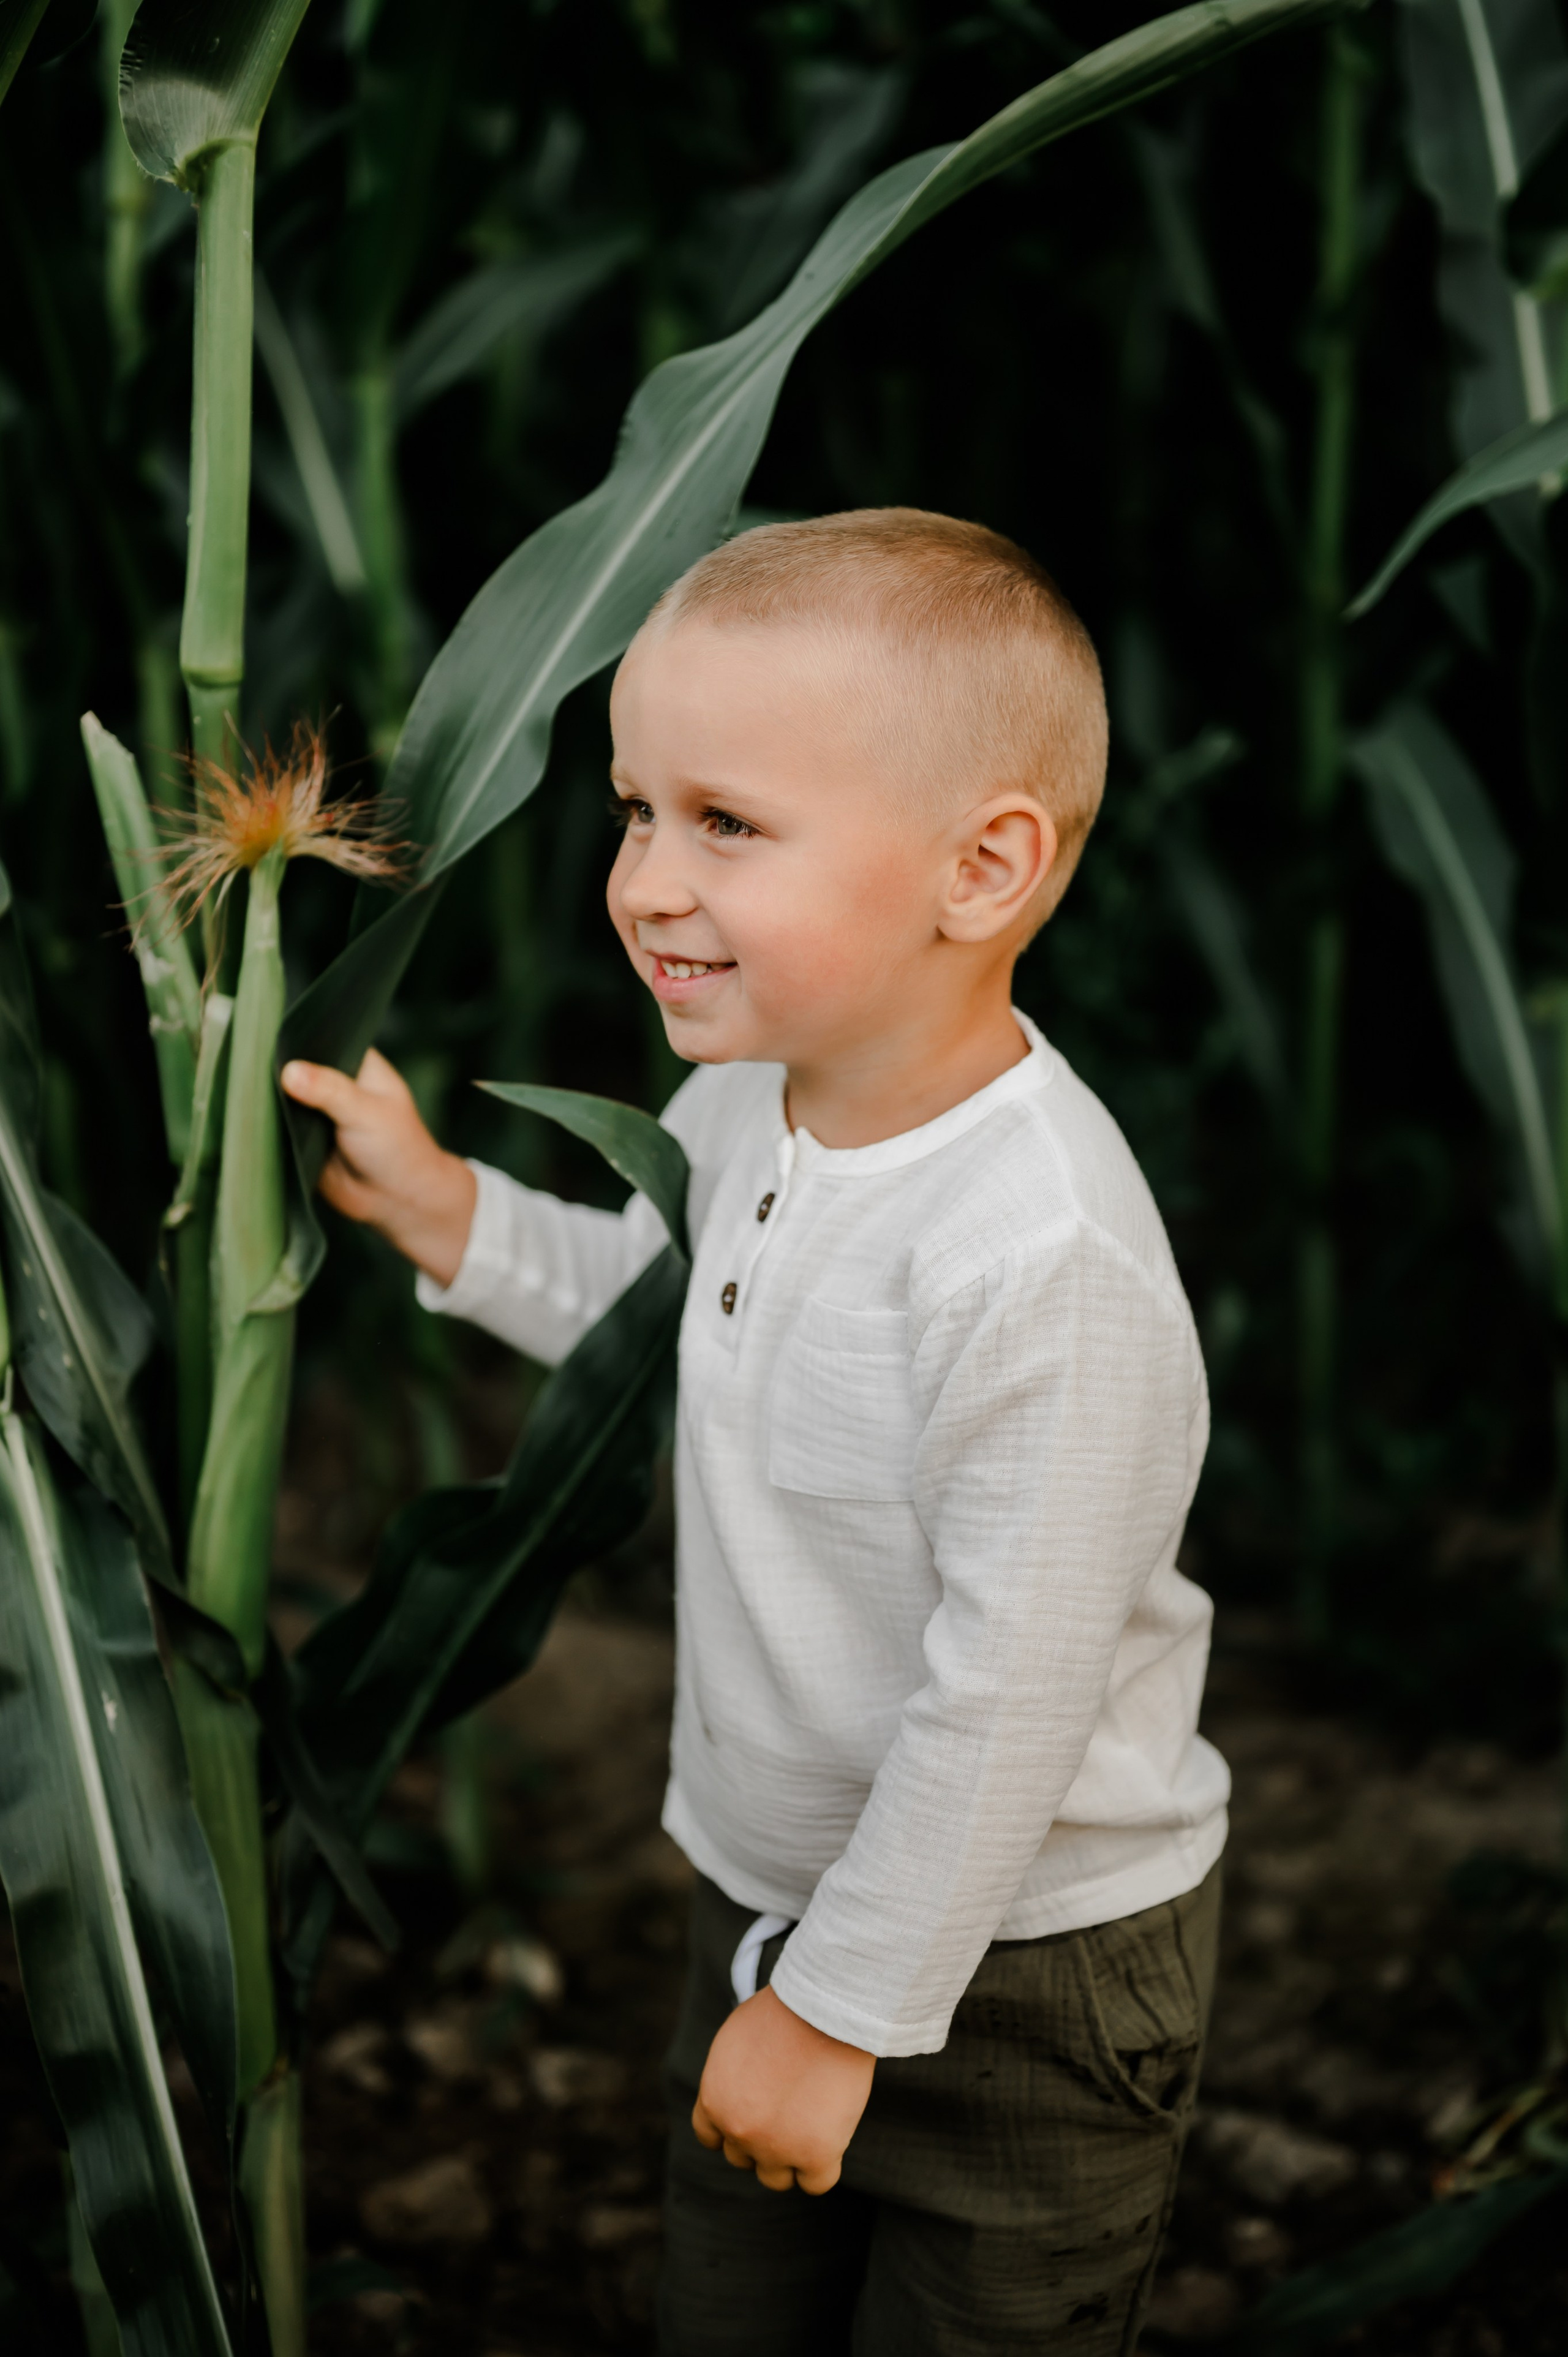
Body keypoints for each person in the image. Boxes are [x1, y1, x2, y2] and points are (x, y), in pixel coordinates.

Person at [282, 507, 1229, 2356]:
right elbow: (658, 1311)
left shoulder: (1036, 1258)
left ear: (982, 869)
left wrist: (838, 2013)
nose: (643, 880)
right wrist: (458, 1215)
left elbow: (1011, 1698)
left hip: (1025, 1979)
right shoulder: (754, 1104)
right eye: (635, 810)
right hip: (769, 1914)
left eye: (725, 823)